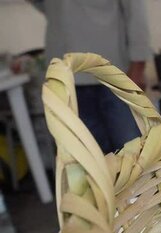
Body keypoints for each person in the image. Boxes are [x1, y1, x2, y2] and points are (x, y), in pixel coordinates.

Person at [27, 0, 152, 154]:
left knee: (133, 153)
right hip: (68, 79)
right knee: (91, 160)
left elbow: (136, 12)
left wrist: (137, 68)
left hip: (113, 75)